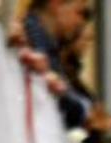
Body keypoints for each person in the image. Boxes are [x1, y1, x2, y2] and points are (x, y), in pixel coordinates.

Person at [22, 0, 88, 129]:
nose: (81, 22)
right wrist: (84, 111)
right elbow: (63, 101)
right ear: (56, 4)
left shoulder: (49, 45)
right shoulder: (32, 42)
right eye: (79, 12)